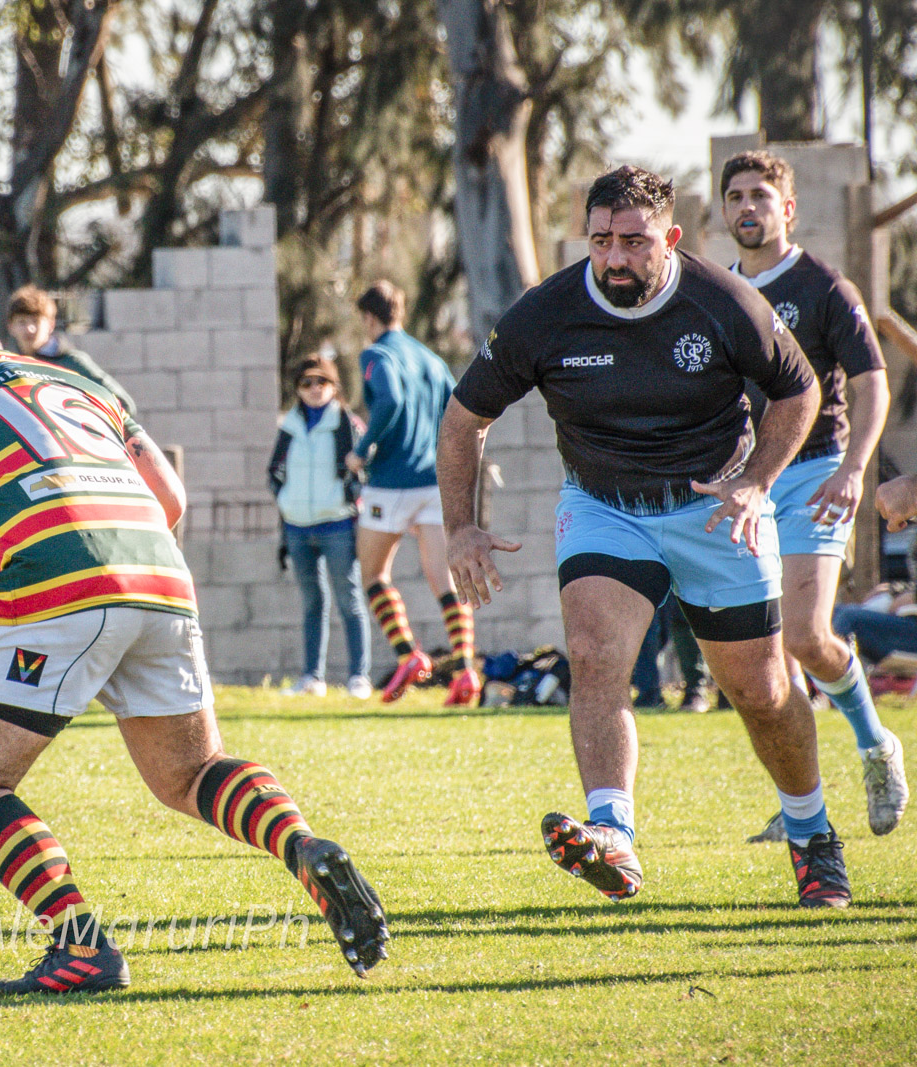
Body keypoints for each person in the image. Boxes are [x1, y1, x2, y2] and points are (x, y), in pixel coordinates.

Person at [0, 285, 388, 995]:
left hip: (48, 584)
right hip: (159, 577)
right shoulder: (78, 381)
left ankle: (79, 945)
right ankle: (303, 844)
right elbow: (171, 497)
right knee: (193, 772)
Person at [441, 165, 851, 908]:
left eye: (632, 242)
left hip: (713, 504)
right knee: (595, 657)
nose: (614, 258)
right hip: (604, 505)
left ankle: (812, 832)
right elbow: (463, 418)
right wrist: (462, 526)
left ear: (670, 238)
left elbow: (800, 390)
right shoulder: (547, 313)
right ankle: (614, 836)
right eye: (600, 241)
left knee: (760, 690)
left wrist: (756, 480)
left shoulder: (724, 302)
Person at [719, 149, 906, 842]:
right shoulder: (716, 292)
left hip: (817, 473)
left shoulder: (826, 286)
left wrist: (854, 467)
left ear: (786, 209)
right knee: (762, 658)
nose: (747, 207)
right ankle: (805, 806)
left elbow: (872, 382)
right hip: (745, 483)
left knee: (803, 634)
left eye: (760, 195)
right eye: (735, 196)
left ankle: (874, 745)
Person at [345, 280, 478, 706]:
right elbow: (456, 413)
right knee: (445, 580)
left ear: (369, 318)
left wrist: (361, 451)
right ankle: (465, 671)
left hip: (391, 482)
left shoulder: (377, 355)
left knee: (373, 575)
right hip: (432, 483)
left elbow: (389, 402)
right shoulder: (431, 358)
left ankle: (408, 655)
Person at [267, 354, 371, 698]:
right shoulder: (289, 425)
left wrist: (351, 497)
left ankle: (359, 676)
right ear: (297, 388)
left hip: (338, 526)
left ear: (334, 386)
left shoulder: (347, 423)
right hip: (297, 528)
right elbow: (275, 472)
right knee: (312, 602)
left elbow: (366, 468)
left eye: (321, 382)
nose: (314, 389)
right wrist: (285, 503)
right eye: (306, 383)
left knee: (349, 599)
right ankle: (312, 677)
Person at [5, 285, 137, 414]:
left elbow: (124, 404)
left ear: (51, 325)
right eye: (22, 322)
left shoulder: (72, 362)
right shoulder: (9, 366)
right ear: (10, 327)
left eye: (35, 321)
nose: (30, 329)